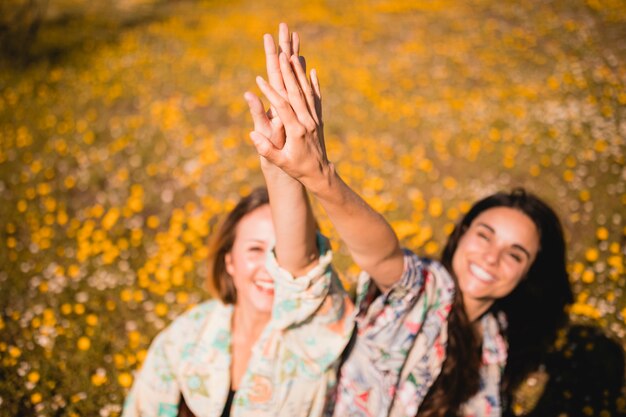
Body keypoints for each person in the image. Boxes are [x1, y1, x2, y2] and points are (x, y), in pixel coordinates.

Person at [244, 32, 573, 417]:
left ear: (530, 271)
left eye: (515, 254)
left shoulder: (498, 343)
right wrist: (319, 176)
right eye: (485, 234)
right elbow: (381, 252)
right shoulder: (426, 290)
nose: (492, 256)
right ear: (461, 234)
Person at [122, 24, 353, 417]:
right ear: (228, 260)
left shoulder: (318, 335)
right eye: (254, 249)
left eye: (278, 250)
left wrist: (281, 170)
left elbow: (298, 273)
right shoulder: (184, 339)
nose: (270, 264)